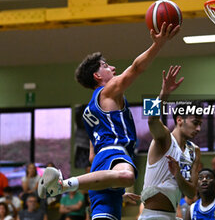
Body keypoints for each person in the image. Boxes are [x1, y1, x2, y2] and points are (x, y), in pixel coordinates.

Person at [37, 22, 179, 220]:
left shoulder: (90, 111)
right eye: (105, 66)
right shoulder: (107, 92)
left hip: (102, 170)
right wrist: (159, 44)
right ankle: (62, 185)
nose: (112, 67)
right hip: (115, 156)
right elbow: (137, 68)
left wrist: (114, 185)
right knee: (127, 176)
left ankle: (87, 182)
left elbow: (91, 156)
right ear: (97, 76)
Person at [139, 66, 202, 219]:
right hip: (152, 216)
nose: (199, 128)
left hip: (173, 215)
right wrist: (164, 93)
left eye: (201, 124)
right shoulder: (165, 138)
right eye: (195, 123)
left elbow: (191, 192)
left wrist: (178, 174)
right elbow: (152, 119)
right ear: (179, 120)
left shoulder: (195, 150)